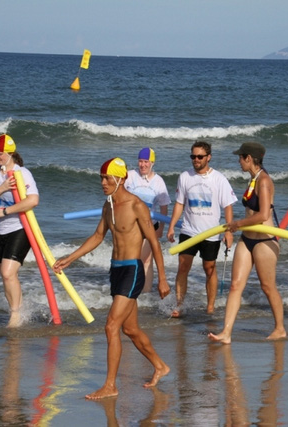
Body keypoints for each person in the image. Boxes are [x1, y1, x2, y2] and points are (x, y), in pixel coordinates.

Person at [53, 158, 171, 400]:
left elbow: (154, 243)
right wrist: (70, 257)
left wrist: (162, 279)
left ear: (120, 179)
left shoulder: (137, 206)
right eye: (101, 177)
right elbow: (98, 236)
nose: (103, 182)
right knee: (131, 329)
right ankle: (160, 366)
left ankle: (110, 386)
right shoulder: (108, 206)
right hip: (116, 270)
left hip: (132, 270)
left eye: (107, 178)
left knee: (111, 326)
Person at [208, 142, 286, 343]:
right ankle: (226, 332)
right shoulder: (253, 179)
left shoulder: (264, 181)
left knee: (267, 286)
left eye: (240, 157)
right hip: (247, 239)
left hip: (265, 241)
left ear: (249, 158)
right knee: (235, 285)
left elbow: (263, 214)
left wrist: (238, 224)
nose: (238, 161)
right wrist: (240, 227)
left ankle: (280, 328)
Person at [167, 141, 237, 317]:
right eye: (193, 156)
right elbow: (179, 204)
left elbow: (228, 206)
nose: (196, 160)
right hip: (189, 230)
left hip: (211, 232)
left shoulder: (219, 179)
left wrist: (228, 231)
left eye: (200, 156)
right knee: (183, 267)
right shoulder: (185, 177)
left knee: (209, 268)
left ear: (208, 157)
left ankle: (210, 307)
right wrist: (171, 227)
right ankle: (179, 305)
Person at [0, 134, 39, 328]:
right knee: (6, 277)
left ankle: (15, 316)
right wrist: (2, 188)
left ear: (10, 153)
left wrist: (5, 211)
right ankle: (19, 310)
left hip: (19, 229)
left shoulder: (23, 173)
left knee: (7, 273)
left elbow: (33, 200)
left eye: (0, 154)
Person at [124, 147, 171, 292]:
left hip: (151, 226)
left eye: (146, 162)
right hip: (132, 226)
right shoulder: (130, 176)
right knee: (133, 258)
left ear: (152, 163)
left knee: (147, 261)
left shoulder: (158, 182)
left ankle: (145, 293)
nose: (142, 165)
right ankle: (128, 289)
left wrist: (162, 228)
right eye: (140, 161)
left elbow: (164, 207)